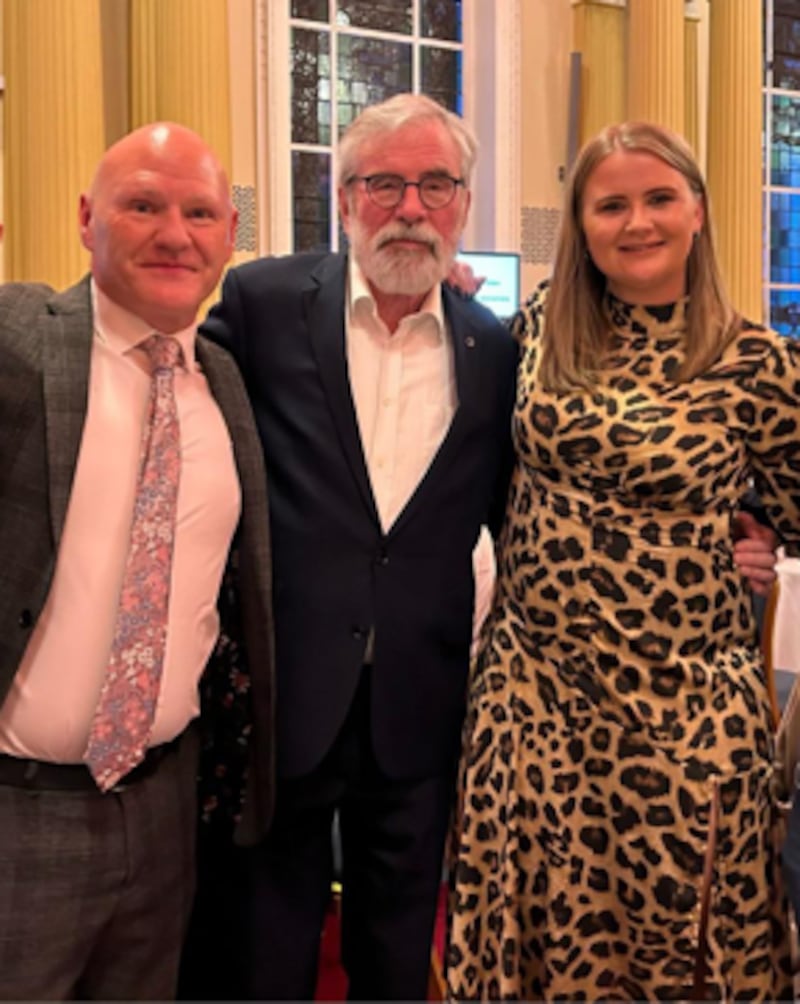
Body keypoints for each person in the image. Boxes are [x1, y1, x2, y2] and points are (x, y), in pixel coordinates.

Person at [447, 120, 800, 1001]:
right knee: (531, 938)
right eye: (611, 205)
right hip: (535, 702)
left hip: (683, 717)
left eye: (657, 199)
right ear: (582, 225)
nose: (635, 222)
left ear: (698, 213)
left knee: (679, 946)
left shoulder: (755, 361)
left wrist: (757, 528)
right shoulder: (531, 334)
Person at [181, 93, 518, 1001]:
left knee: (397, 944)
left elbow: (528, 500)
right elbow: (175, 414)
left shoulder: (495, 351)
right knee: (268, 946)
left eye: (436, 185)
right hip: (286, 693)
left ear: (465, 202)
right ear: (344, 198)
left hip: (421, 696)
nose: (411, 207)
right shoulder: (263, 303)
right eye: (385, 184)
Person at [0, 122, 274, 1000]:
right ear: (87, 218)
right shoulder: (20, 340)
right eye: (143, 205)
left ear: (231, 234)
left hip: (164, 806)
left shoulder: (223, 382)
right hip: (19, 811)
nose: (174, 233)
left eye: (200, 212)